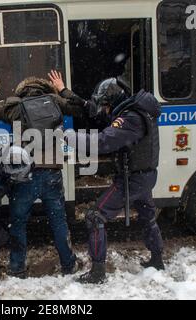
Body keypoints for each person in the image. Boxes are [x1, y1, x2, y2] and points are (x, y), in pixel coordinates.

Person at [0, 73, 92, 278]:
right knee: (58, 221)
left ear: (22, 89)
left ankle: (17, 268)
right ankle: (68, 264)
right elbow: (81, 108)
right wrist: (62, 89)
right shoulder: (55, 101)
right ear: (44, 88)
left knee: (18, 222)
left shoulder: (13, 105)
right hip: (52, 173)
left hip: (25, 174)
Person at [61, 77, 164, 284]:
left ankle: (98, 272)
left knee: (95, 216)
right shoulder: (135, 110)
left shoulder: (130, 118)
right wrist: (70, 95)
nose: (105, 111)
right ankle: (157, 260)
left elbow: (103, 142)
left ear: (113, 101)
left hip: (133, 179)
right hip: (143, 175)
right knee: (147, 215)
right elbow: (97, 112)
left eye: (106, 106)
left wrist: (69, 137)